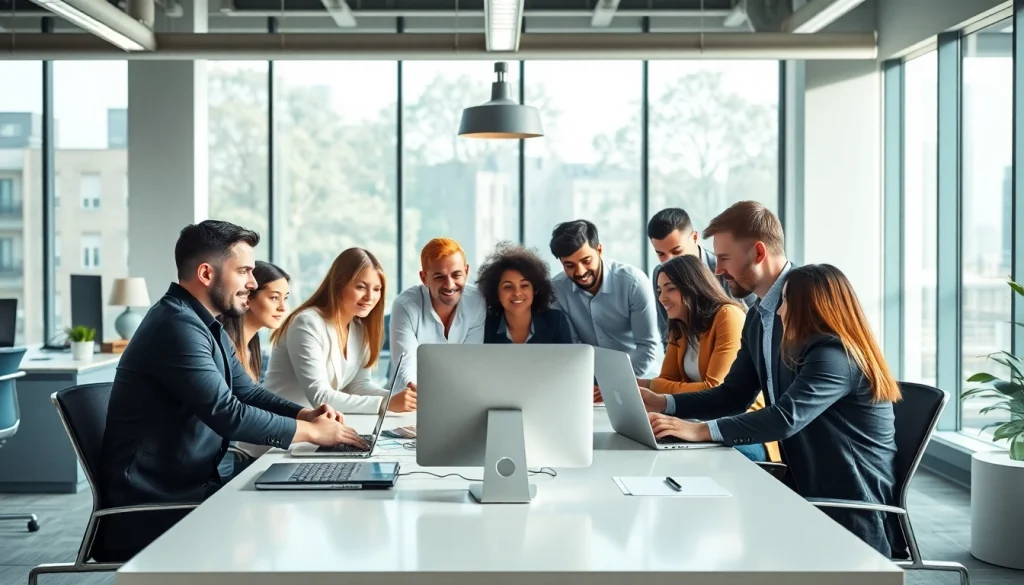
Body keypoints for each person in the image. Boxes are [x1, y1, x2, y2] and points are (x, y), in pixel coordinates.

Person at [98, 220, 365, 562]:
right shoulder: (175, 327)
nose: (252, 283)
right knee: (297, 535)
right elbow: (228, 414)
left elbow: (248, 393)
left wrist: (305, 414)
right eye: (243, 272)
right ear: (206, 274)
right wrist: (312, 432)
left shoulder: (203, 323)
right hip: (157, 505)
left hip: (195, 485)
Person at [642, 264, 903, 558]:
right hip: (812, 494)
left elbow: (784, 418)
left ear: (812, 308)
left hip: (851, 516)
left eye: (787, 301)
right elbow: (733, 395)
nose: (779, 312)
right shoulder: (810, 351)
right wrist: (667, 403)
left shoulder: (835, 357)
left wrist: (700, 430)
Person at [638, 254, 778, 463]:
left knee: (683, 456)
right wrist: (656, 389)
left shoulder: (728, 315)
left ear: (693, 286)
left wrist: (652, 386)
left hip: (741, 428)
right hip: (697, 421)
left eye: (671, 288)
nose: (662, 298)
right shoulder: (680, 326)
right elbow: (667, 379)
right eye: (659, 291)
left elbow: (715, 387)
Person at [265, 248, 416, 415]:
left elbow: (358, 386)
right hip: (279, 423)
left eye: (376, 289)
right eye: (361, 287)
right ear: (339, 284)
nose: (370, 296)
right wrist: (386, 403)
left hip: (318, 423)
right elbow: (320, 396)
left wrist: (404, 399)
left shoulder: (360, 329)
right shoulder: (307, 323)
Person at [549, 219, 660, 378]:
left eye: (586, 261)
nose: (580, 272)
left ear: (599, 250)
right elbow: (573, 348)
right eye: (569, 265)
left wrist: (617, 384)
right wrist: (595, 384)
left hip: (641, 377)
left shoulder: (633, 283)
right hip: (589, 381)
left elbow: (647, 347)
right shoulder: (557, 291)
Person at [647, 207, 757, 346]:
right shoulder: (660, 275)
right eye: (661, 254)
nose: (669, 261)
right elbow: (668, 334)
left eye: (676, 251)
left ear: (694, 238)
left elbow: (755, 318)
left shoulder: (727, 269)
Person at [218, 260, 292, 461]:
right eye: (274, 298)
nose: (283, 307)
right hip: (222, 457)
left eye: (285, 298)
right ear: (247, 298)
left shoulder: (252, 349)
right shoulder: (223, 345)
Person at [389, 238, 486, 388]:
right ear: (424, 278)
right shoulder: (405, 306)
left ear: (466, 272)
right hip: (412, 396)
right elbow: (406, 368)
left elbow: (470, 361)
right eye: (439, 277)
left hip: (458, 392)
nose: (449, 285)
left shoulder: (477, 301)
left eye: (456, 275)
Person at [475, 242, 573, 344]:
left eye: (524, 285)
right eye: (508, 287)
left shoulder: (556, 321)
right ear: (496, 291)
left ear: (535, 289)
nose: (517, 293)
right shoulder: (484, 325)